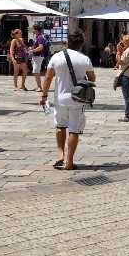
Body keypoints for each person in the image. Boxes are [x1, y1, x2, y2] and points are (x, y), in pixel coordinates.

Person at [40, 30, 95, 171]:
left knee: (60, 126)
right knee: (74, 130)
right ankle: (69, 161)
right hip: (78, 99)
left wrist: (44, 95)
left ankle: (60, 154)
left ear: (67, 42)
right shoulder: (84, 59)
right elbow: (92, 79)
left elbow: (47, 78)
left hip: (60, 98)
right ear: (81, 44)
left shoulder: (56, 57)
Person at [30, 24, 49, 93]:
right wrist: (32, 48)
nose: (32, 30)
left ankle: (40, 87)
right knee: (35, 72)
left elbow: (41, 47)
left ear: (36, 30)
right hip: (36, 56)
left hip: (38, 56)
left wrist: (33, 50)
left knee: (36, 71)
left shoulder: (40, 37)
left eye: (33, 29)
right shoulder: (37, 37)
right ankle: (38, 86)